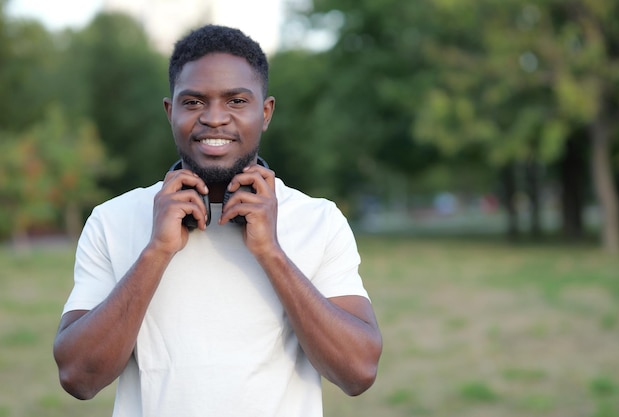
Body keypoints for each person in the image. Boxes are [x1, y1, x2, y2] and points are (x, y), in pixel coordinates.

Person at [53, 24, 382, 417]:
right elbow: (78, 376)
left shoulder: (319, 220)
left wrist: (271, 252)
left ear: (265, 112)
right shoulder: (112, 220)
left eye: (236, 101)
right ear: (170, 111)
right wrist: (156, 251)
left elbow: (358, 372)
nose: (214, 118)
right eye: (193, 102)